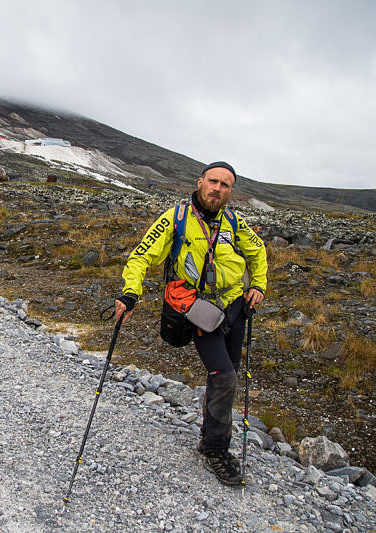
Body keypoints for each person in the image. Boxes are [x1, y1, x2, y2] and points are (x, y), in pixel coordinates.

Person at [114, 161, 267, 486]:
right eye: (213, 181)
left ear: (231, 191)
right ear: (200, 182)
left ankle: (209, 433)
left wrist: (258, 285)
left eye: (226, 185)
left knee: (227, 377)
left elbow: (258, 252)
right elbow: (142, 255)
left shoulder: (235, 221)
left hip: (236, 307)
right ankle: (214, 449)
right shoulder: (176, 219)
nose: (218, 189)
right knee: (224, 377)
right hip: (198, 309)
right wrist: (130, 294)